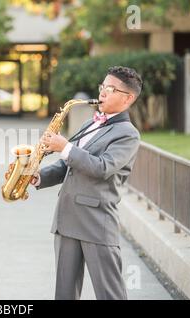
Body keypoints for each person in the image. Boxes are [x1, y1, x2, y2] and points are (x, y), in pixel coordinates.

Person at [31, 66, 143, 300]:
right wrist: (39, 176)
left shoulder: (128, 134)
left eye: (110, 89)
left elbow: (102, 167)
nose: (102, 92)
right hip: (66, 218)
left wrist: (65, 147)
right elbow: (68, 165)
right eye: (103, 86)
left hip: (96, 222)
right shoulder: (88, 124)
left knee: (110, 294)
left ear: (128, 98)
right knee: (64, 294)